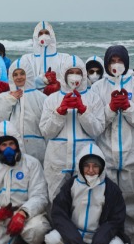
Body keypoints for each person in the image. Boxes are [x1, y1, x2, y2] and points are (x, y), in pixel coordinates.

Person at [93, 44, 134, 244]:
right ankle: (109, 238)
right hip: (107, 154)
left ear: (126, 62)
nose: (116, 65)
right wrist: (110, 109)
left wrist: (128, 107)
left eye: (120, 61)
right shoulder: (98, 87)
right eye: (112, 61)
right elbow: (95, 123)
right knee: (106, 199)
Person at [45, 143, 130, 244]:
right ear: (80, 166)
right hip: (74, 233)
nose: (90, 171)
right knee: (52, 240)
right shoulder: (71, 185)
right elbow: (59, 213)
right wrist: (71, 235)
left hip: (98, 235)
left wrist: (100, 240)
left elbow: (116, 219)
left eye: (95, 166)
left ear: (102, 167)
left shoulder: (111, 189)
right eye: (86, 166)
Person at [39, 56, 105, 197]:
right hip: (57, 160)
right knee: (56, 198)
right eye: (71, 72)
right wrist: (59, 112)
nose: (74, 76)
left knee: (83, 200)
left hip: (84, 160)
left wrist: (83, 111)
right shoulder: (52, 99)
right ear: (64, 75)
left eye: (78, 72)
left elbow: (97, 130)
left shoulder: (93, 98)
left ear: (83, 75)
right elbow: (46, 131)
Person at [0, 65, 47, 162]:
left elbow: (47, 128)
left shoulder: (41, 98)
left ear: (28, 74)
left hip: (36, 149)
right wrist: (9, 100)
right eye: (15, 74)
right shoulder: (2, 97)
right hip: (10, 149)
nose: (19, 77)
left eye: (22, 73)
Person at [15, 21, 70, 90]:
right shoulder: (27, 59)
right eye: (40, 33)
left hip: (57, 98)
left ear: (52, 35)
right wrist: (40, 81)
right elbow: (23, 82)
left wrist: (56, 82)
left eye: (47, 33)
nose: (44, 36)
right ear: (36, 37)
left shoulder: (64, 58)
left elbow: (69, 81)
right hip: (35, 98)